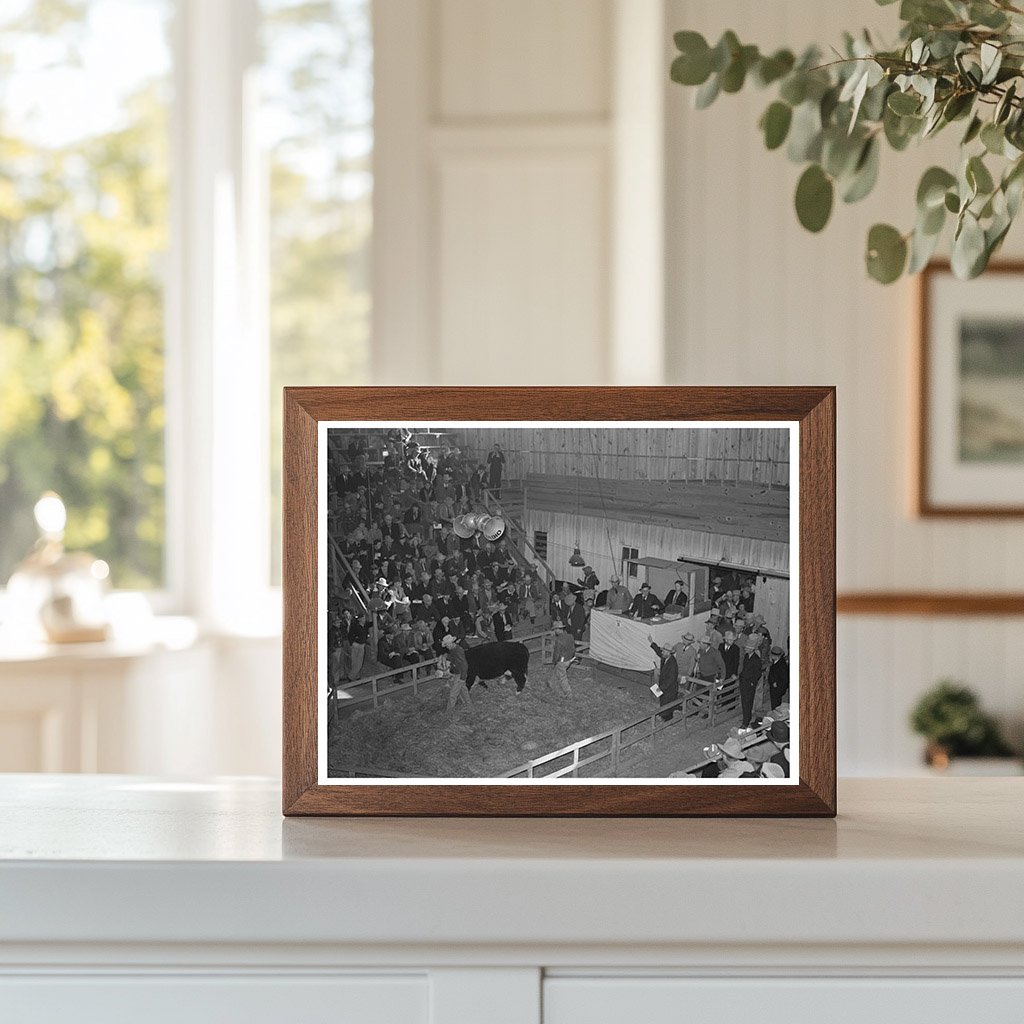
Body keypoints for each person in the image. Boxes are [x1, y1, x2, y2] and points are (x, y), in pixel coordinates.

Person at [649, 637, 680, 722]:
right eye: (662, 651)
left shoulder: (672, 664)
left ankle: (667, 719)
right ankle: (664, 716)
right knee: (663, 700)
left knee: (667, 703)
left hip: (670, 687)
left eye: (664, 651)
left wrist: (660, 688)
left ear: (669, 653)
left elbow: (671, 680)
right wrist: (652, 643)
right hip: (664, 684)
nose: (662, 652)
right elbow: (658, 652)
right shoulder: (665, 657)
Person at [737, 634, 763, 727]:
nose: (745, 649)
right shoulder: (746, 656)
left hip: (749, 684)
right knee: (744, 702)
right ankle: (746, 717)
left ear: (752, 649)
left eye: (747, 648)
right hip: (744, 682)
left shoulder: (756, 659)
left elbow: (757, 673)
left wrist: (752, 682)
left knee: (748, 702)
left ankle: (746, 721)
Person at [442, 634, 472, 711]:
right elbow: (453, 659)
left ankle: (449, 711)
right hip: (457, 672)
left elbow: (464, 664)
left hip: (460, 673)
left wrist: (462, 677)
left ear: (451, 643)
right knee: (463, 690)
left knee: (453, 693)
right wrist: (446, 656)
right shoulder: (452, 649)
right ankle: (469, 705)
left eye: (447, 645)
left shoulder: (458, 650)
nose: (446, 647)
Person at [548, 622, 575, 696]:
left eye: (555, 629)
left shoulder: (559, 640)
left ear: (558, 629)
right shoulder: (570, 636)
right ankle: (551, 683)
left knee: (562, 677)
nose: (555, 631)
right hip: (569, 659)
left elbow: (557, 653)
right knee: (556, 670)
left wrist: (554, 661)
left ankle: (568, 692)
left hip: (562, 660)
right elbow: (573, 649)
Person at [767, 645, 790, 709]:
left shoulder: (782, 665)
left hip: (778, 688)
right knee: (774, 703)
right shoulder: (776, 661)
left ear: (776, 656)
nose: (771, 656)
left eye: (772, 655)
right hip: (774, 687)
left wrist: (777, 683)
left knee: (776, 704)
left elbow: (785, 678)